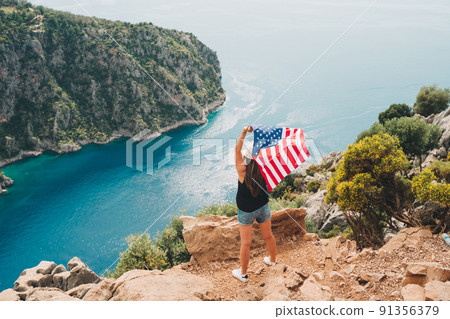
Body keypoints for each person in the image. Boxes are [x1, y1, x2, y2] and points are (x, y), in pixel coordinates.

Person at [232, 126, 277, 283]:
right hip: (263, 207)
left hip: (246, 211)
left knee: (246, 243)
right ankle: (272, 261)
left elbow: (237, 149)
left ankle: (243, 274)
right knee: (268, 236)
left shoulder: (242, 170)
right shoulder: (265, 167)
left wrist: (244, 132)